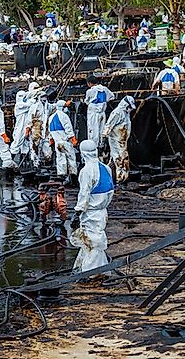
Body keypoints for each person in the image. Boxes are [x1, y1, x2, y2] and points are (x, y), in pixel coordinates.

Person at [72, 140, 113, 273]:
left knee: (92, 242)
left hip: (91, 213)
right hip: (102, 211)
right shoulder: (106, 168)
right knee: (93, 241)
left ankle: (92, 272)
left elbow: (84, 194)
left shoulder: (86, 171)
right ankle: (85, 268)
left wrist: (77, 213)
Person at [101, 96, 136, 182]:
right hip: (116, 140)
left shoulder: (126, 113)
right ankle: (120, 178)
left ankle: (117, 177)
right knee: (119, 159)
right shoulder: (117, 113)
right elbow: (109, 125)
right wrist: (104, 137)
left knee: (119, 158)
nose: (130, 109)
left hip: (122, 141)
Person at [47, 100, 78, 180]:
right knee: (70, 157)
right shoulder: (64, 116)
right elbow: (68, 128)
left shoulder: (51, 117)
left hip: (57, 142)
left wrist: (51, 140)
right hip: (65, 141)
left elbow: (50, 130)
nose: (66, 108)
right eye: (65, 107)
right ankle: (73, 175)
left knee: (60, 158)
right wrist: (73, 139)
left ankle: (61, 175)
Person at [84, 77, 111, 150]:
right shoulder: (105, 89)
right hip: (102, 113)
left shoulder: (90, 91)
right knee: (101, 130)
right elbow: (111, 97)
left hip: (93, 113)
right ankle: (101, 146)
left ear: (89, 83)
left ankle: (93, 148)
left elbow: (86, 101)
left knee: (93, 132)